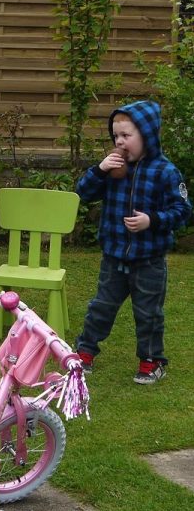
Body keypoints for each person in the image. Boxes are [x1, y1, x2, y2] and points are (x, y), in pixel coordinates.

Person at [74, 100, 191, 384]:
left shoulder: (166, 172)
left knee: (148, 313)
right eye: (116, 136)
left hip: (149, 260)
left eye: (127, 135)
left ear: (147, 135)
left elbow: (183, 210)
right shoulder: (113, 168)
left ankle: (151, 361)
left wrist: (152, 220)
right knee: (101, 307)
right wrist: (99, 169)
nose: (120, 142)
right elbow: (84, 192)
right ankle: (84, 353)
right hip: (114, 256)